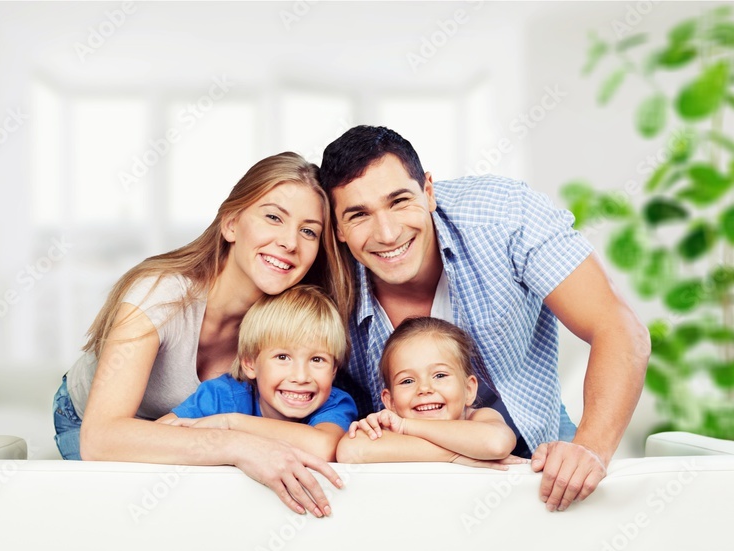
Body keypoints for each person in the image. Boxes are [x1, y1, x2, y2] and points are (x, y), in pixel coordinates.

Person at [319, 125, 650, 511]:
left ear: (428, 191)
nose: (388, 233)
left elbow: (617, 326)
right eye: (359, 215)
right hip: (401, 466)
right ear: (338, 228)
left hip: (534, 450)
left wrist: (590, 449)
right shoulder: (323, 274)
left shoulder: (503, 216)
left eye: (399, 201)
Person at [53, 152, 351, 517]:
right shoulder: (161, 294)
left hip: (192, 427)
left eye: (308, 231)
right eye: (273, 217)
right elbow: (100, 440)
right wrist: (237, 445)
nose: (290, 242)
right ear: (230, 225)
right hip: (91, 421)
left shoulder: (288, 321)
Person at [157, 285, 358, 461]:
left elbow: (323, 447)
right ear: (250, 364)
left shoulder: (335, 403)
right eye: (282, 357)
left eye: (317, 360)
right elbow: (156, 436)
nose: (301, 377)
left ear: (333, 370)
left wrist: (230, 423)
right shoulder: (223, 395)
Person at [337, 316, 519, 467]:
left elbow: (496, 444)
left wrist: (406, 427)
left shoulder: (479, 418)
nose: (424, 388)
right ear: (390, 401)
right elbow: (349, 450)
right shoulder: (389, 427)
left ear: (469, 389)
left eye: (439, 375)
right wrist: (455, 456)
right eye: (407, 380)